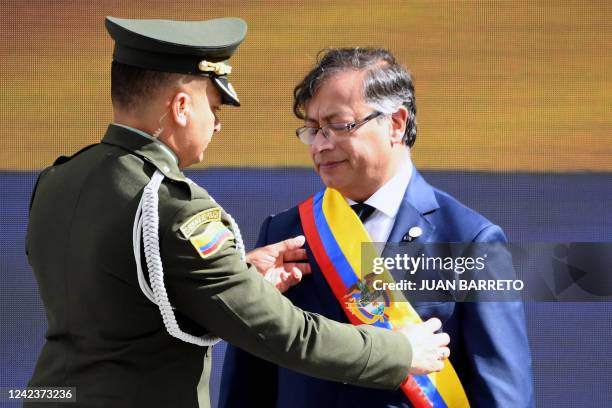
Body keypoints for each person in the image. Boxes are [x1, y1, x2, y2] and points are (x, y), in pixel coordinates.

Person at [25, 19, 450, 408]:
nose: (217, 124)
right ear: (180, 107)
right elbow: (286, 334)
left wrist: (238, 272)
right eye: (214, 106)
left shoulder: (58, 179)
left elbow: (121, 295)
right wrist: (400, 351)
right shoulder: (174, 206)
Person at [220, 48, 534, 407]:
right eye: (312, 130)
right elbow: (248, 384)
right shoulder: (284, 233)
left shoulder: (469, 239)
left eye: (339, 125)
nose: (321, 145)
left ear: (396, 124)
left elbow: (503, 393)